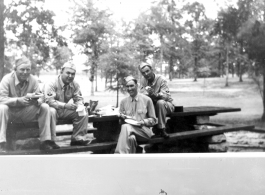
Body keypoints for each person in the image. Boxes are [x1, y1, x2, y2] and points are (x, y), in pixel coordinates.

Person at [0, 56, 60, 152]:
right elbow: (1, 99)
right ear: (15, 69)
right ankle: (1, 143)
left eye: (28, 69)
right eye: (22, 69)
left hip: (25, 112)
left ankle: (45, 141)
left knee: (45, 106)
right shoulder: (6, 79)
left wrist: (38, 101)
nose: (25, 72)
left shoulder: (33, 80)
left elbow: (41, 96)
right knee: (2, 108)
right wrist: (18, 100)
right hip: (10, 113)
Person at [44, 61, 92, 146]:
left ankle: (78, 139)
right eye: (68, 73)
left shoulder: (75, 84)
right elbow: (49, 101)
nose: (70, 76)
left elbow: (78, 98)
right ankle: (50, 141)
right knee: (51, 111)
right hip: (48, 111)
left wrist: (80, 105)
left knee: (82, 112)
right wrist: (66, 105)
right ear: (61, 71)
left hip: (63, 110)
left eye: (73, 74)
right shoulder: (51, 83)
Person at [115, 76, 157, 154]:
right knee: (131, 138)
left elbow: (153, 120)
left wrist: (143, 122)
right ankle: (130, 161)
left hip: (144, 131)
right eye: (127, 86)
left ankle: (119, 155)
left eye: (131, 86)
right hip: (129, 132)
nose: (129, 89)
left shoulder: (147, 100)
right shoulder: (123, 102)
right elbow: (121, 122)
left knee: (126, 127)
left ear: (137, 86)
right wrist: (121, 118)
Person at [139, 63, 175, 138]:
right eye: (143, 73)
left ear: (152, 70)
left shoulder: (161, 79)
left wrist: (155, 94)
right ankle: (143, 130)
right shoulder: (143, 80)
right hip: (154, 106)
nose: (146, 74)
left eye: (147, 71)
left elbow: (165, 96)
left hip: (167, 105)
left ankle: (162, 129)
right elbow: (142, 95)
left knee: (160, 102)